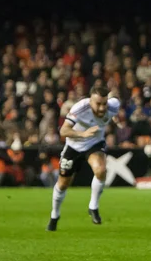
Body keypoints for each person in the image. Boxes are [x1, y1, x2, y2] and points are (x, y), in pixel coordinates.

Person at [46, 85, 120, 231]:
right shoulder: (79, 108)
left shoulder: (114, 106)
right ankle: (55, 214)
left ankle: (93, 207)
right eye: (98, 104)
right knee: (63, 183)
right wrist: (82, 134)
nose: (101, 108)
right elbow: (63, 130)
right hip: (73, 146)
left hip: (94, 143)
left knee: (101, 170)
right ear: (89, 101)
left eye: (104, 103)